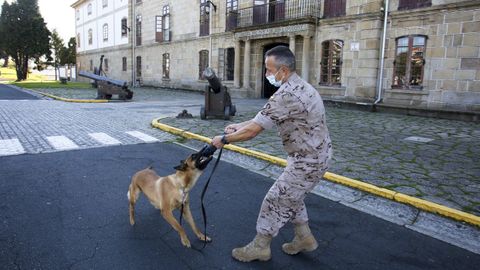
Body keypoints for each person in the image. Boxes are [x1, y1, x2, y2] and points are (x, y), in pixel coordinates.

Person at [211, 45, 333, 262]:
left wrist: (224, 140)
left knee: (275, 199)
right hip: (312, 156)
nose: (266, 75)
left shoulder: (287, 94)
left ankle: (260, 246)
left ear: (283, 71)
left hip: (308, 161)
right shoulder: (300, 87)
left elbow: (254, 131)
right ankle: (304, 237)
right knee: (292, 196)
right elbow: (261, 119)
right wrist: (238, 125)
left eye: (269, 70)